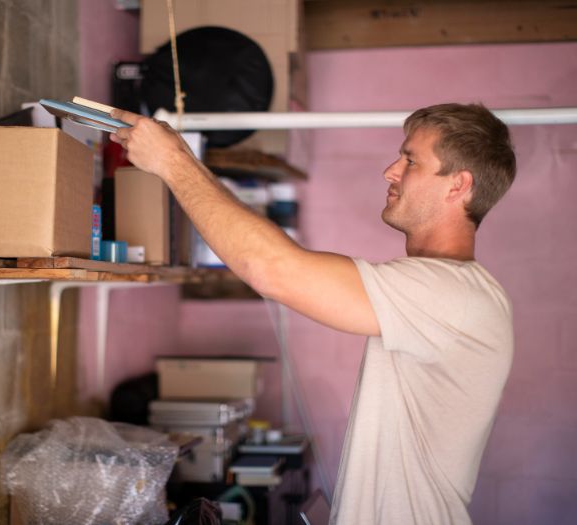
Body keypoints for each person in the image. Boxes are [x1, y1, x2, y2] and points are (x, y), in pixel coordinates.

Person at [110, 102, 516, 525]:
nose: (391, 172)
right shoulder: (451, 291)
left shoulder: (451, 295)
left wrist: (173, 163)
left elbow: (273, 269)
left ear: (457, 185)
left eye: (410, 160)